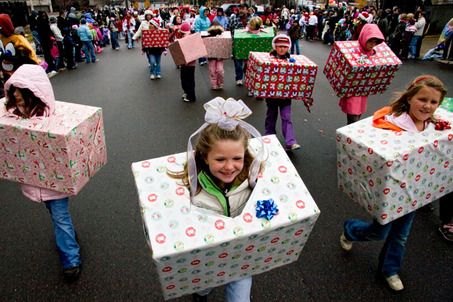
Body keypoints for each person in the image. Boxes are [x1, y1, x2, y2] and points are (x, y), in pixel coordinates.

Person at [341, 75, 448, 292]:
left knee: (401, 235)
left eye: (433, 102)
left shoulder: (435, 125)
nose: (427, 106)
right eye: (422, 99)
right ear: (410, 98)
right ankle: (351, 230)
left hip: (415, 191)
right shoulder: (391, 124)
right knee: (379, 232)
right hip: (391, 191)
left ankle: (389, 269)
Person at [170, 97, 262, 302]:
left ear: (244, 155)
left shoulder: (253, 178)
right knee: (203, 288)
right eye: (220, 159)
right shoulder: (193, 190)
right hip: (207, 258)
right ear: (205, 157)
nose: (229, 167)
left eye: (237, 158)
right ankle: (200, 294)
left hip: (240, 255)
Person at [3, 64, 82, 282]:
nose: (16, 95)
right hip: (34, 183)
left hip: (55, 185)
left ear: (34, 92)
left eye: (21, 90)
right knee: (57, 218)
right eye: (13, 90)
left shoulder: (50, 118)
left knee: (60, 218)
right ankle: (69, 238)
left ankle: (71, 259)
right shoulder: (12, 119)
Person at [339, 24, 384, 124]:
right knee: (352, 116)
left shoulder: (374, 53)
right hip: (352, 90)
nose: (372, 44)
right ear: (364, 38)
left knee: (358, 113)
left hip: (363, 90)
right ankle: (349, 135)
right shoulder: (353, 51)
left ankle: (350, 133)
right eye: (370, 41)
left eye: (375, 42)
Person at [264, 34, 301, 151]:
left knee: (286, 117)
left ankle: (290, 142)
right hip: (272, 96)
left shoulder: (291, 60)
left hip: (286, 96)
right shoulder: (268, 59)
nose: (282, 49)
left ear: (288, 47)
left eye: (284, 47)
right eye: (279, 46)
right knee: (271, 116)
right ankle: (269, 136)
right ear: (275, 46)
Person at [133, 13, 165, 79]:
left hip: (158, 50)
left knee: (158, 62)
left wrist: (164, 49)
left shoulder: (160, 31)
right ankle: (152, 73)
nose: (149, 25)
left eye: (151, 24)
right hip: (150, 50)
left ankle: (158, 73)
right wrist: (135, 37)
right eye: (150, 24)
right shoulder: (146, 32)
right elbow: (140, 33)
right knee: (152, 62)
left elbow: (164, 35)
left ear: (155, 26)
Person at [179, 22, 196, 102]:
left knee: (186, 80)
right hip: (192, 64)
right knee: (190, 80)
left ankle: (190, 96)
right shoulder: (192, 37)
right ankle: (188, 93)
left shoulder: (186, 39)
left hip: (186, 63)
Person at [206, 22, 225, 90]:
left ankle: (220, 83)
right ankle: (214, 84)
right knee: (212, 71)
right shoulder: (208, 37)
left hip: (219, 57)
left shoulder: (222, 36)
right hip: (211, 57)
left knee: (220, 70)